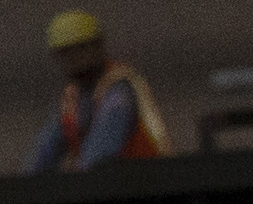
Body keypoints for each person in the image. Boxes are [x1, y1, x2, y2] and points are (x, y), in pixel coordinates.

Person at [30, 9, 167, 171]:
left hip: (147, 183)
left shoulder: (119, 89)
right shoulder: (72, 100)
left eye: (81, 48)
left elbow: (100, 152)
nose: (74, 58)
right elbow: (45, 153)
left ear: (98, 46)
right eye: (65, 52)